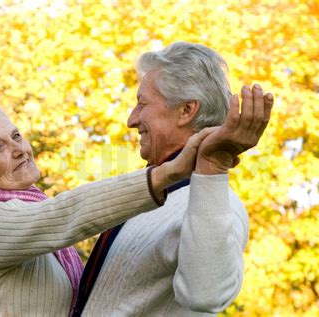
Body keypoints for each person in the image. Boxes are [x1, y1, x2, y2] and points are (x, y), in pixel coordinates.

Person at [0, 103, 217, 316]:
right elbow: (65, 214)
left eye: (16, 136)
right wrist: (167, 173)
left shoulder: (29, 221)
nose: (19, 149)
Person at [74, 42, 274, 316]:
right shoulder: (149, 192)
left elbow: (207, 295)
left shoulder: (221, 205)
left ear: (186, 111)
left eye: (142, 103)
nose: (131, 120)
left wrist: (213, 167)